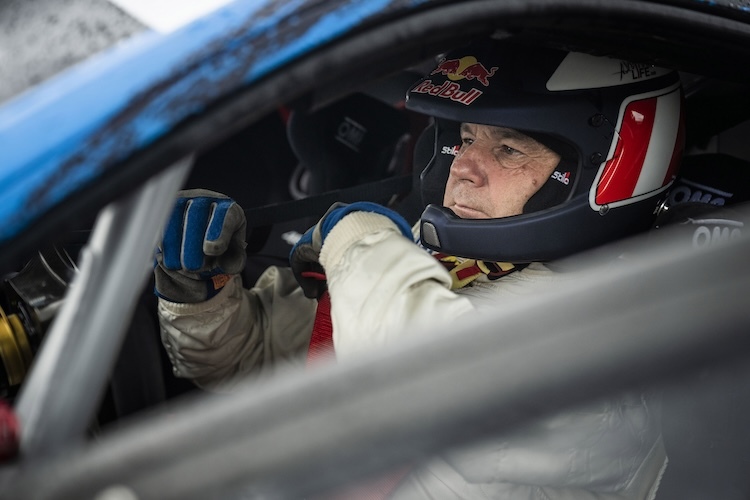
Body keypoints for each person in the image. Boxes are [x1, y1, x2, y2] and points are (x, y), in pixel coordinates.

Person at [154, 38, 684, 499]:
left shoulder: (616, 341)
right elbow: (253, 364)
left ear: (593, 174)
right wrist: (205, 291)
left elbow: (416, 387)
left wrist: (357, 241)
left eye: (509, 149)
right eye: (467, 138)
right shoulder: (443, 266)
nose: (463, 168)